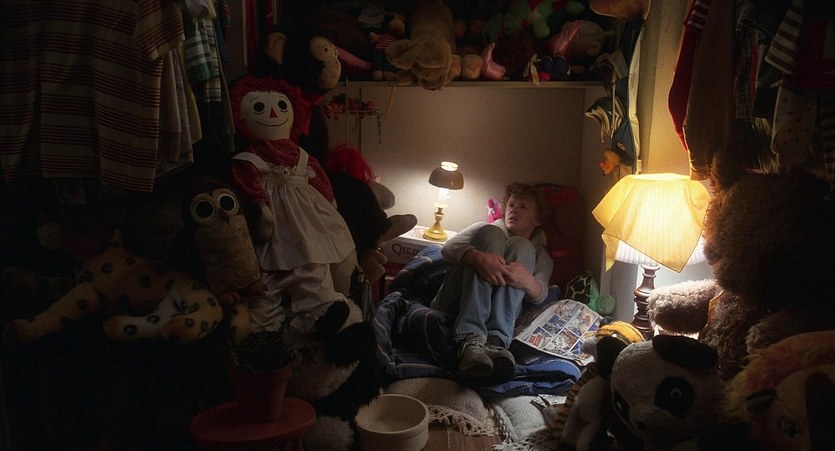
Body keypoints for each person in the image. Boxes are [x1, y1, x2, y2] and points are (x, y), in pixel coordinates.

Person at [432, 183, 553, 381]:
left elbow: (542, 295)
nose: (513, 210)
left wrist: (526, 280)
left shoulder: (541, 256)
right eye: (511, 205)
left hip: (501, 319)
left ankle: (495, 342)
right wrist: (477, 257)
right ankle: (470, 339)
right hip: (457, 303)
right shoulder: (484, 229)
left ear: (537, 219)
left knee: (522, 246)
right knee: (491, 233)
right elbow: (448, 248)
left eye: (523, 206)